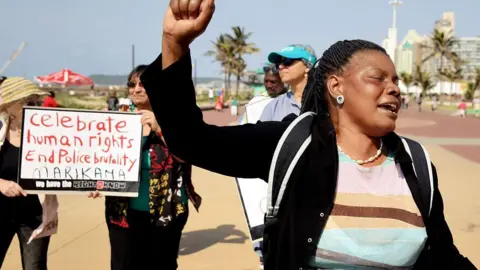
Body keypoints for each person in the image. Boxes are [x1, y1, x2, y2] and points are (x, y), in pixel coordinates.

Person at [139, 1, 477, 269]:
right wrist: (174, 43)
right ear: (336, 86)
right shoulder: (294, 145)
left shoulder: (414, 163)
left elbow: (443, 256)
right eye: (379, 79)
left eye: (397, 82)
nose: (394, 90)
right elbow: (192, 141)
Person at [88, 65, 201, 270]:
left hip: (165, 210)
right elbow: (101, 158)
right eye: (132, 84)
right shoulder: (117, 120)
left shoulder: (175, 118)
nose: (136, 89)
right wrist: (97, 182)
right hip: (122, 212)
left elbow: (187, 155)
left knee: (161, 265)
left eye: (143, 84)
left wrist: (159, 128)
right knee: (123, 264)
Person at [0, 77, 51, 270]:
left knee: (35, 266)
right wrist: (1, 184)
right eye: (29, 103)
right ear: (9, 106)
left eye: (38, 102)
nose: (36, 107)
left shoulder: (50, 133)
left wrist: (91, 184)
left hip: (33, 216)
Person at [259, 44, 317, 121]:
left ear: (307, 66)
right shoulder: (273, 107)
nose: (280, 66)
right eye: (278, 63)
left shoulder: (326, 101)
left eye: (287, 61)